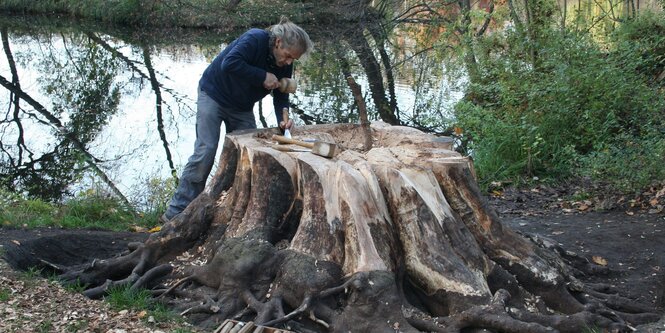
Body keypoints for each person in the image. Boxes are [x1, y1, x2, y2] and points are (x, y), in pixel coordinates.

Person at [162, 17, 313, 221]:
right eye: (287, 56)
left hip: (241, 107)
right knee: (205, 150)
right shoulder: (254, 39)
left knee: (250, 155)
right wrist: (262, 76)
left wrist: (282, 119)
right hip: (214, 95)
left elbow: (281, 94)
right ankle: (176, 212)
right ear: (278, 43)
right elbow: (229, 63)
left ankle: (232, 211)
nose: (288, 62)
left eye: (292, 59)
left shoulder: (285, 63)